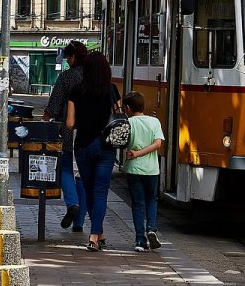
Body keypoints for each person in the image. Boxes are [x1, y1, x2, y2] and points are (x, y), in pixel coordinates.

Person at [66, 51, 119, 252]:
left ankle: (96, 234)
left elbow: (70, 124)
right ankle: (96, 235)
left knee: (88, 191)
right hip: (106, 147)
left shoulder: (76, 91)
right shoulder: (112, 90)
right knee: (101, 192)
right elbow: (119, 119)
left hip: (83, 146)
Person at [43, 41, 88, 233]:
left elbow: (55, 105)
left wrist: (44, 120)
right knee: (83, 177)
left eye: (68, 57)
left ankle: (71, 204)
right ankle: (79, 223)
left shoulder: (66, 77)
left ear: (72, 57)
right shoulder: (94, 77)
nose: (68, 61)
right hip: (90, 133)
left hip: (69, 131)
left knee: (66, 169)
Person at [122, 91, 165, 252]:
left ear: (127, 107)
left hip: (134, 169)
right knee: (152, 200)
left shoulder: (128, 123)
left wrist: (135, 153)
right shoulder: (154, 122)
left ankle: (140, 240)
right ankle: (151, 229)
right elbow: (157, 144)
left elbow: (121, 142)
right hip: (152, 170)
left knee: (138, 204)